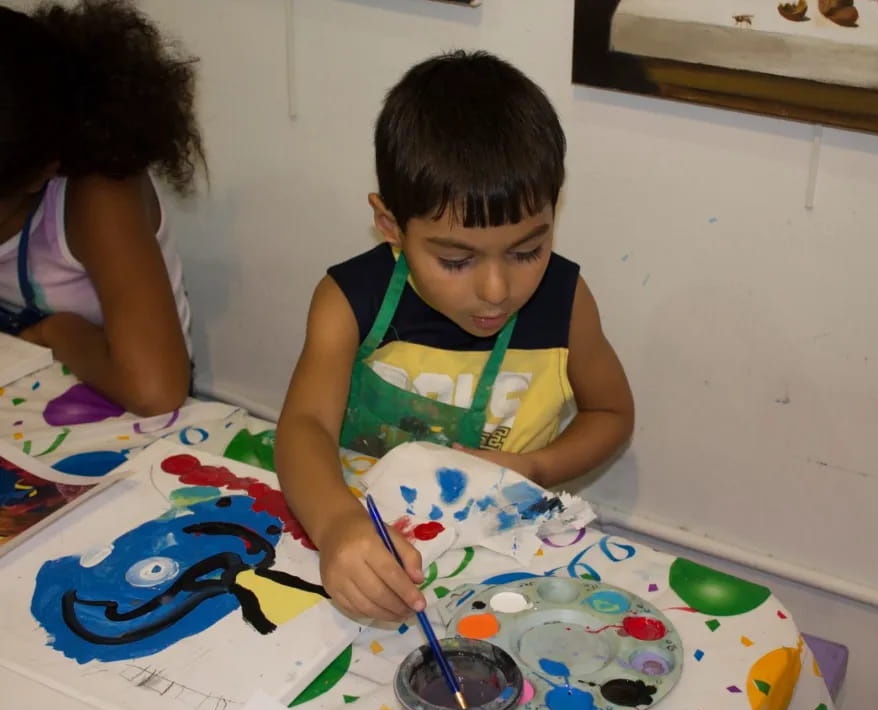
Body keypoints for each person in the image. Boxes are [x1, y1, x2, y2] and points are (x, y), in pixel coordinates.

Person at [276, 51, 634, 622]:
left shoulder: (566, 302)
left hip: (507, 566)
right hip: (365, 554)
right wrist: (337, 523)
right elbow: (303, 427)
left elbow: (611, 413)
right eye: (456, 260)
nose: (496, 289)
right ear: (391, 226)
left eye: (527, 251)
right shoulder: (351, 301)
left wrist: (537, 467)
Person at [0, 0, 204, 416]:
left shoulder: (98, 196)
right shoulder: (19, 171)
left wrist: (60, 333)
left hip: (117, 405)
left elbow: (155, 390)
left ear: (40, 174)